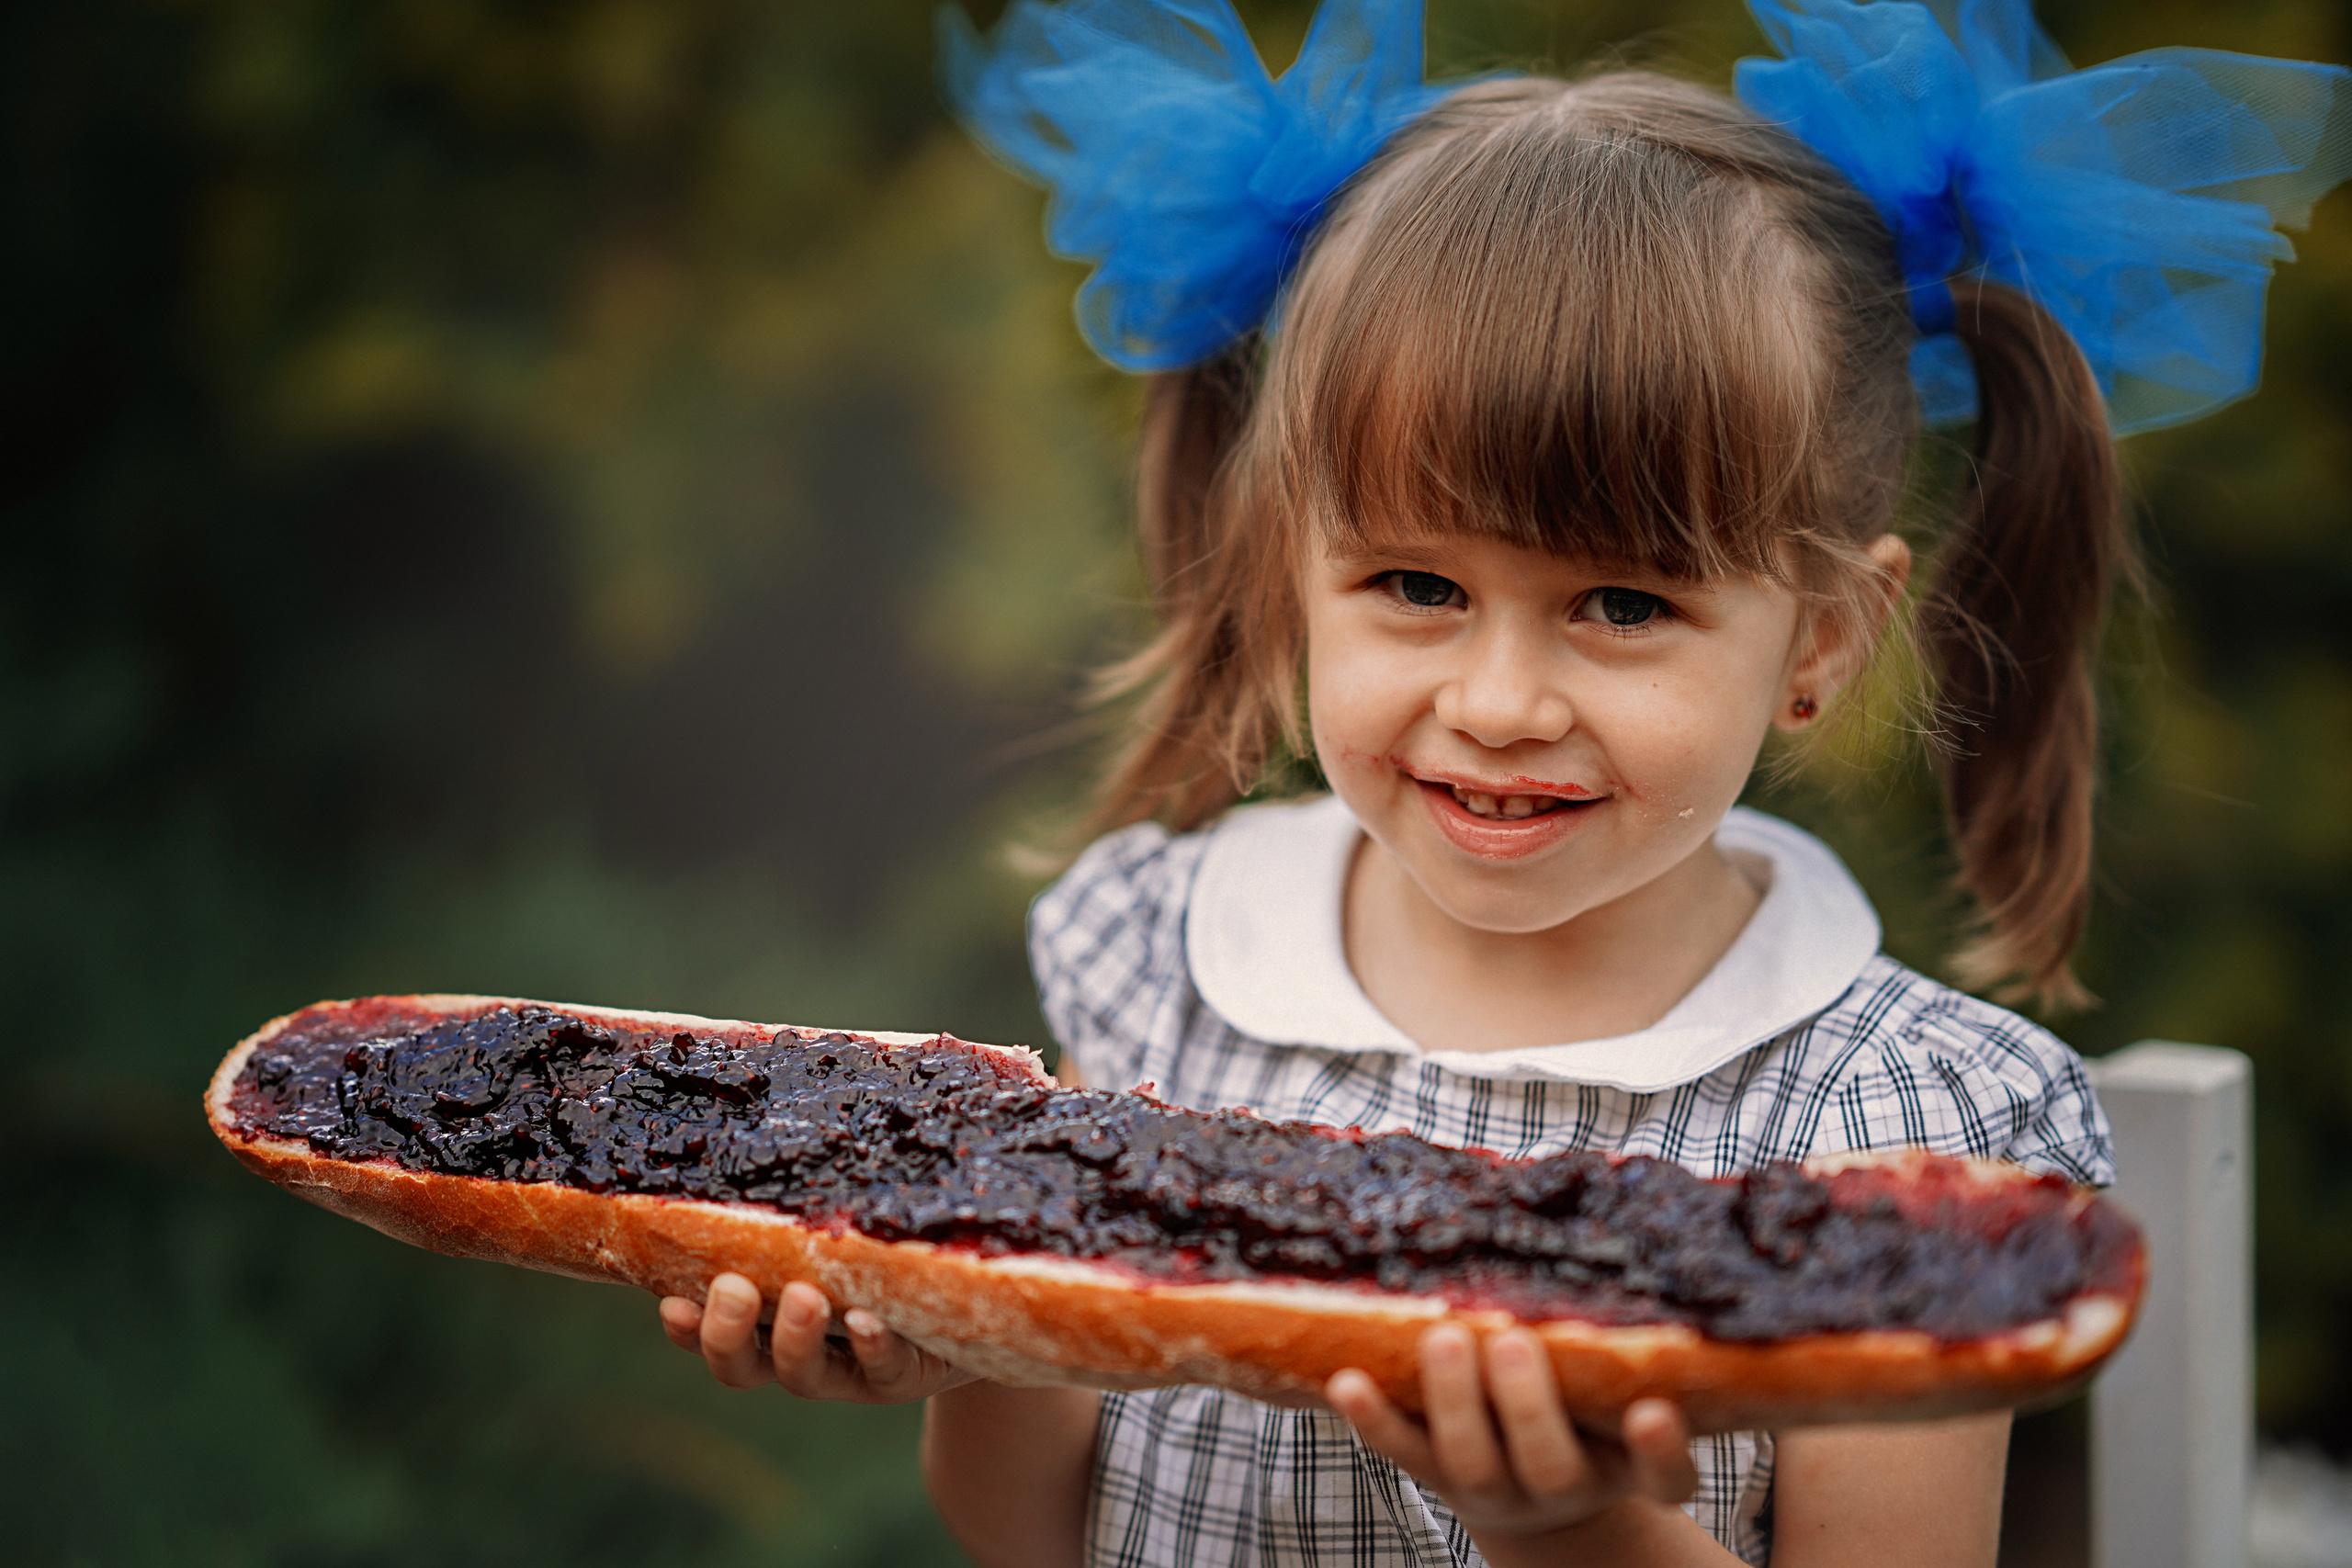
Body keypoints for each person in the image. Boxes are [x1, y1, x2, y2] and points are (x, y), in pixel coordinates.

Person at [653, 1, 2351, 1562]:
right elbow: (1047, 1536)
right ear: (1286, 566)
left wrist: (1565, 1524)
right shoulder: (1165, 966)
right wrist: (963, 1346)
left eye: (1624, 604)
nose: (1501, 700)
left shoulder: (1897, 1133)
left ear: (1827, 635)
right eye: (1415, 587)